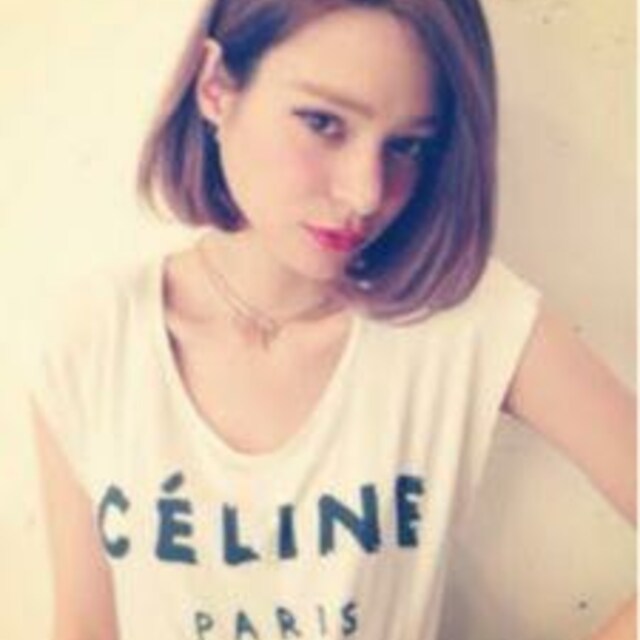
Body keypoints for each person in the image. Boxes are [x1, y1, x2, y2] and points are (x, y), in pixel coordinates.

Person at [29, 1, 635, 639]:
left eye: (406, 145)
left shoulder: (466, 321)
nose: (365, 192)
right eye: (323, 123)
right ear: (215, 87)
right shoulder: (93, 338)